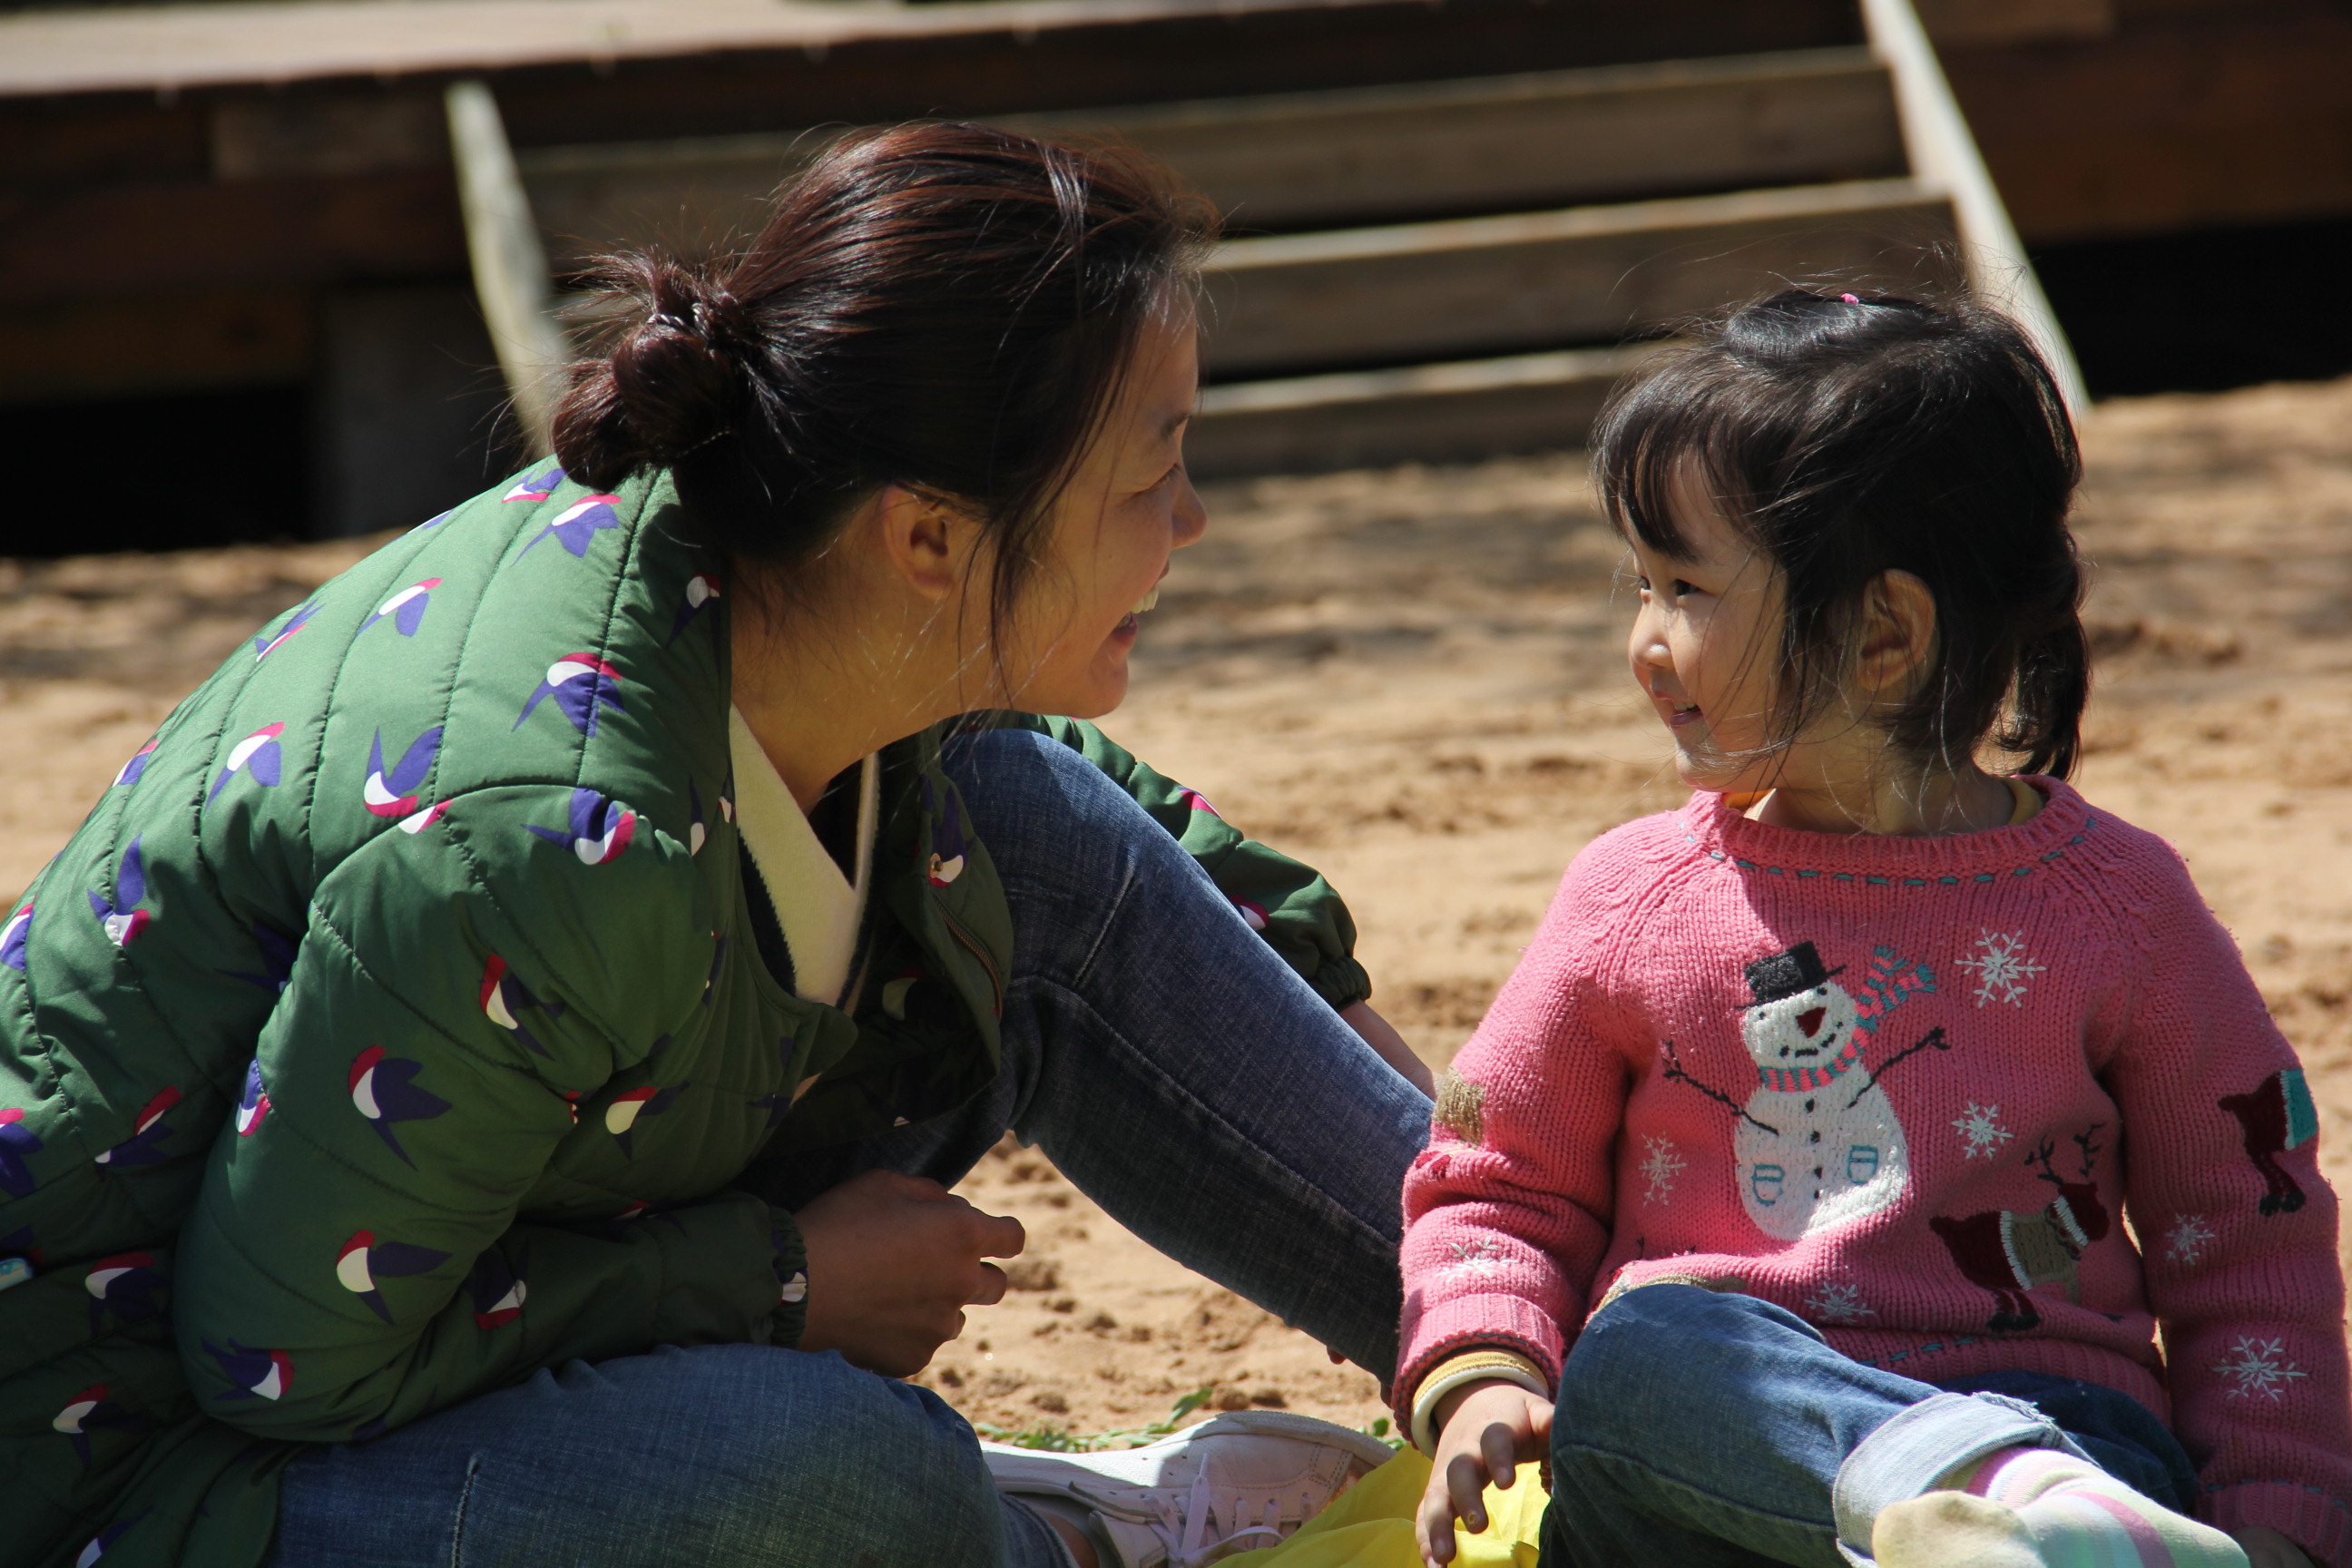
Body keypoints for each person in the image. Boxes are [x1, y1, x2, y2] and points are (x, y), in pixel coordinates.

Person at [0, 124, 1435, 1568]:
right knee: (857, 1490)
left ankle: (1546, 1351)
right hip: (155, 1470)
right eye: (1151, 473)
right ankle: (1066, 1540)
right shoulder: (544, 844)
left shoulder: (768, 544)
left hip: (475, 1240)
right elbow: (288, 1363)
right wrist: (784, 1283)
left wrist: (1309, 984)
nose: (1191, 520)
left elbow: (1043, 780)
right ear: (929, 540)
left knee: (1022, 840)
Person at [1399, 290, 2350, 1568]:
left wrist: (2281, 1524)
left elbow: (2250, 1236)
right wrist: (1482, 1363)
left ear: (1884, 634)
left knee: (2058, 1489)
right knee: (1640, 1358)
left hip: (2055, 1452)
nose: (1643, 640)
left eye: (1686, 586)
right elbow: (1499, 1180)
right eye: (1641, 582)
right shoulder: (1633, 899)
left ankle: (2013, 1526)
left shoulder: (2116, 907)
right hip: (1702, 1469)